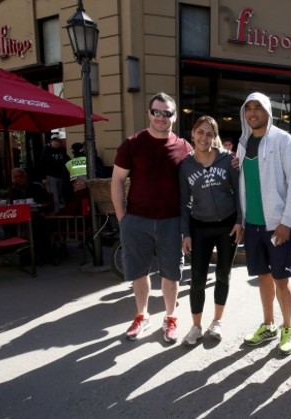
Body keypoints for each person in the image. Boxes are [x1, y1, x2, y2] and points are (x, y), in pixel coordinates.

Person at [111, 92, 193, 343]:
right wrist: (122, 217)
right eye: (156, 112)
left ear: (174, 117)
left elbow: (200, 175)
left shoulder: (184, 147)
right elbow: (117, 180)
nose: (161, 117)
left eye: (167, 113)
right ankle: (141, 315)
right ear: (148, 113)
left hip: (171, 222)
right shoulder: (132, 144)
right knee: (139, 272)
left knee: (172, 273)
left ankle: (170, 318)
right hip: (137, 220)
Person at [237, 92, 291, 355]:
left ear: (268, 112)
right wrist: (241, 221)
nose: (252, 113)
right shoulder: (243, 144)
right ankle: (268, 325)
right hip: (252, 225)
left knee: (281, 279)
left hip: (278, 225)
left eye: (258, 108)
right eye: (248, 108)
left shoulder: (282, 140)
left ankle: (288, 327)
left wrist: (287, 222)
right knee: (263, 277)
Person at [179, 116, 243, 345]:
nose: (204, 137)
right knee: (196, 278)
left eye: (209, 133)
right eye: (200, 132)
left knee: (223, 275)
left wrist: (240, 221)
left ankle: (217, 321)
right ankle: (195, 326)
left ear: (214, 137)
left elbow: (239, 192)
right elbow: (184, 202)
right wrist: (185, 233)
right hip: (199, 227)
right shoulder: (186, 165)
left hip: (227, 225)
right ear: (192, 133)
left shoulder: (228, 160)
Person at [39, 132, 70, 212]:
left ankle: (62, 212)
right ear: (51, 142)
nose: (56, 142)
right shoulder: (46, 151)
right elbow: (42, 165)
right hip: (51, 176)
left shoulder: (62, 151)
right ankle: (56, 214)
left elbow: (68, 161)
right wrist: (43, 177)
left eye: (57, 141)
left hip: (61, 176)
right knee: (54, 197)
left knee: (61, 196)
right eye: (54, 141)